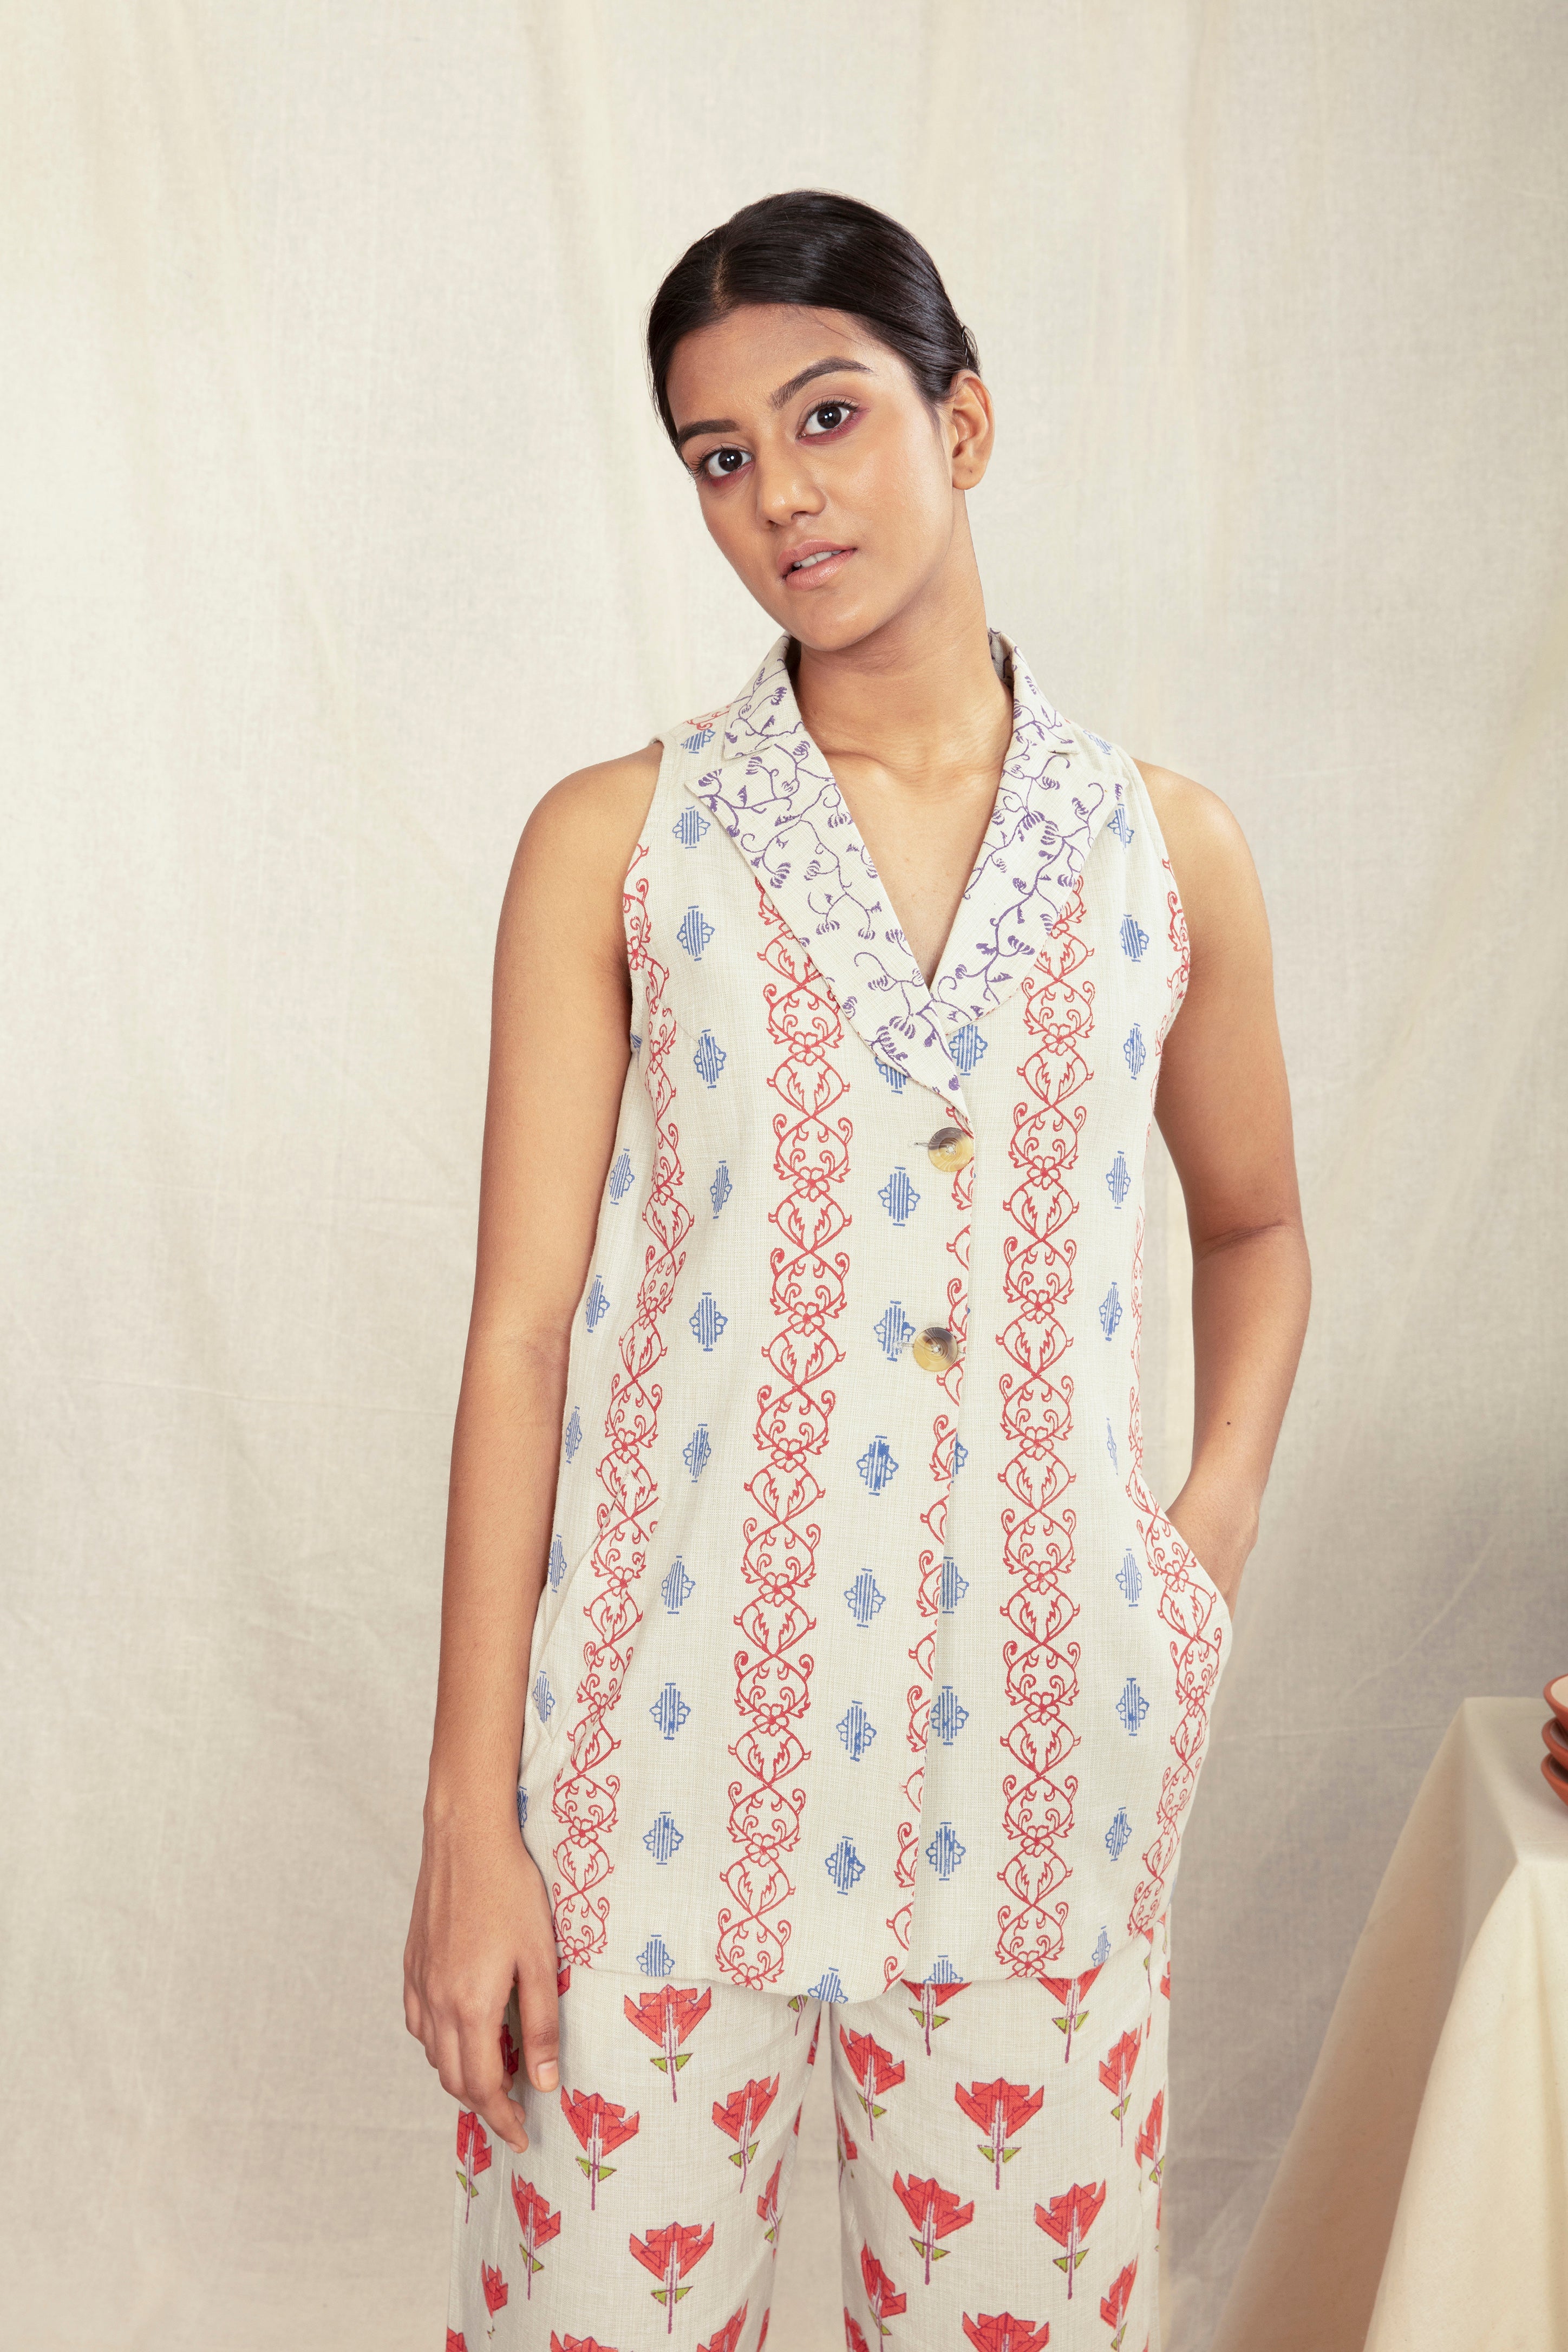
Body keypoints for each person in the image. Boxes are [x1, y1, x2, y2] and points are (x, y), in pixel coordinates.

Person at [406, 188, 1310, 2352]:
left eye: (828, 417)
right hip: (647, 1784)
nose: (780, 495)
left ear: (960, 421)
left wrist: (1186, 1558)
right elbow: (519, 1337)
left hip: (1042, 1770)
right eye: (720, 456)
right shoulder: (624, 842)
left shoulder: (1159, 850)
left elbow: (1259, 1228)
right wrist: (467, 1820)